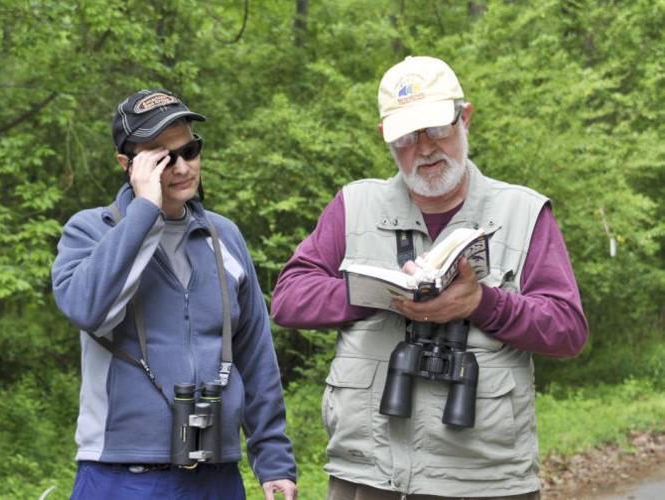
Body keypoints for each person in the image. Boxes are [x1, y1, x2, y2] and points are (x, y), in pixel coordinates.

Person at [271, 56, 589, 499]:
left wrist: (482, 304)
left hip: (486, 482)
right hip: (366, 476)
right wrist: (381, 293)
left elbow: (568, 329)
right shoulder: (354, 205)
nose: (424, 148)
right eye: (406, 136)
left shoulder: (523, 212)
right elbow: (287, 298)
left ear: (466, 118)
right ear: (386, 137)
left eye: (437, 129)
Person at [52, 89, 297, 500]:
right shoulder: (92, 231)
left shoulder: (225, 237)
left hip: (216, 474)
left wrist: (273, 460)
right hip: (119, 472)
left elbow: (256, 355)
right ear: (128, 165)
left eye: (190, 150)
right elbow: (86, 307)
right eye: (163, 157)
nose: (182, 167)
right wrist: (144, 210)